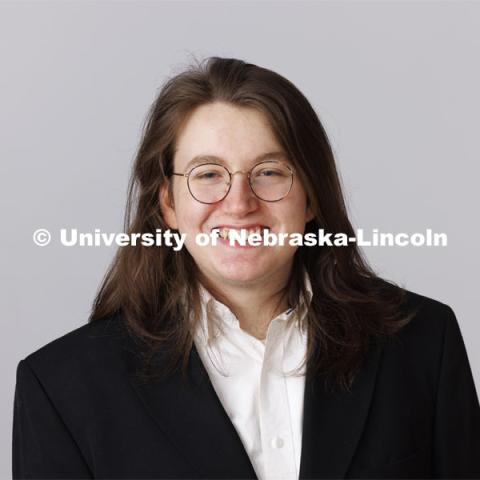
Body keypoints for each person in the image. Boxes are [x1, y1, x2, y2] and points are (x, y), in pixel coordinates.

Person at [12, 57, 480, 479]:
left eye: (270, 171)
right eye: (208, 174)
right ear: (168, 205)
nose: (239, 204)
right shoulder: (60, 387)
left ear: (311, 196)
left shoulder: (423, 342)